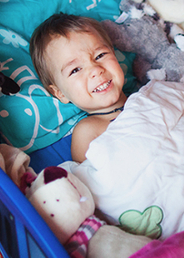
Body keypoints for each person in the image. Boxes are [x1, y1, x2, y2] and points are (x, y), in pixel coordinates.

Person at [30, 13, 127, 163]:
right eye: (75, 70)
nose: (95, 70)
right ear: (60, 93)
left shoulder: (147, 95)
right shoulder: (88, 131)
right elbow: (87, 174)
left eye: (100, 55)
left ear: (114, 54)